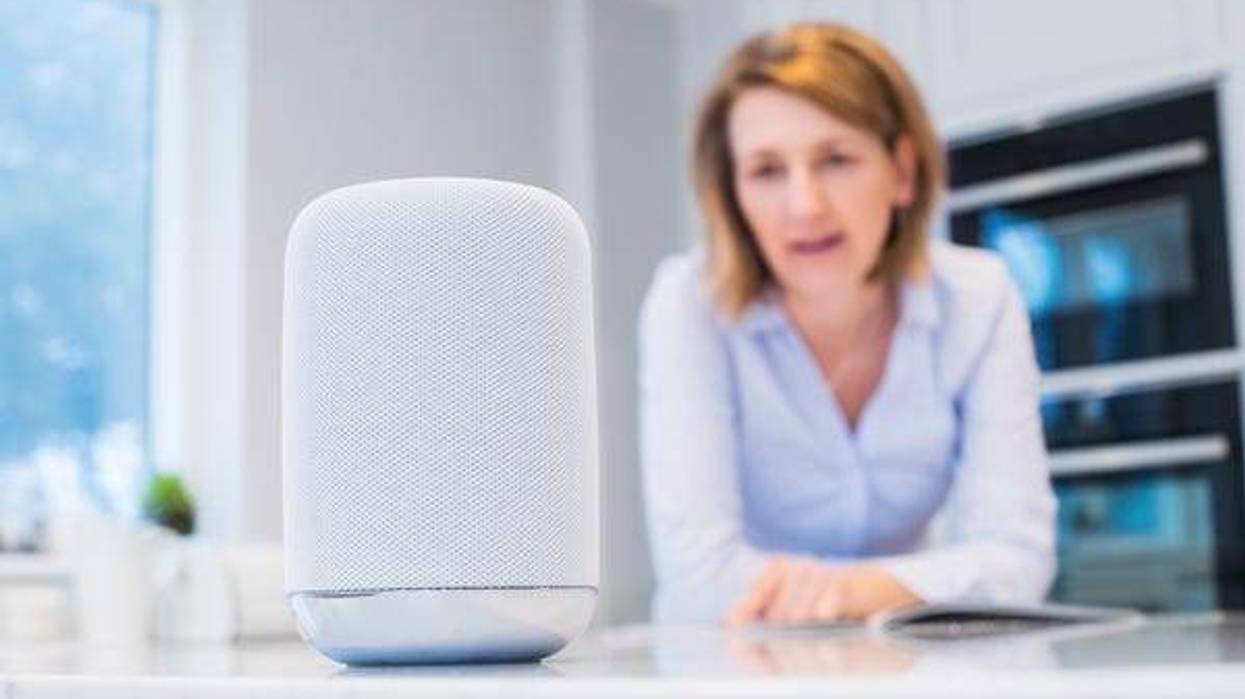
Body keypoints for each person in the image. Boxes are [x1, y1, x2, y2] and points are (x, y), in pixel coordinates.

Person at [638, 22, 1056, 626]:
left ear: (903, 171)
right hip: (732, 661)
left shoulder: (978, 299)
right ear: (733, 195)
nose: (805, 206)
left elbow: (1018, 559)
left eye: (836, 160)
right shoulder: (687, 305)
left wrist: (852, 594)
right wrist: (904, 588)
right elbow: (699, 576)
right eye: (766, 171)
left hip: (903, 658)